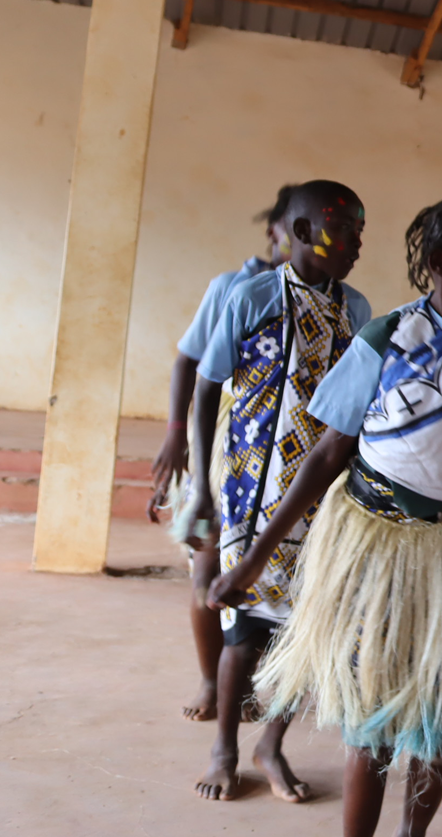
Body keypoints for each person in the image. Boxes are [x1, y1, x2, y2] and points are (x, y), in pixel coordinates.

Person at [209, 197, 442, 837]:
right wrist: (252, 558)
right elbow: (329, 451)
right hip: (373, 543)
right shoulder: (385, 337)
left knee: (441, 709)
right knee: (373, 711)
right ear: (440, 263)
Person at [189, 180, 370, 803]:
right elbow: (208, 389)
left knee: (306, 631)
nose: (356, 243)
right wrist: (200, 492)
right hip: (252, 492)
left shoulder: (357, 311)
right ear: (299, 233)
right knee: (246, 631)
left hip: (324, 501)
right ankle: (225, 748)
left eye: (358, 230)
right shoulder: (252, 297)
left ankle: (272, 742)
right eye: (344, 230)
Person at [146, 183, 296, 722]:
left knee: (276, 574)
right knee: (209, 566)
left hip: (288, 451)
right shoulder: (235, 286)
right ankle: (213, 680)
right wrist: (174, 434)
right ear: (277, 231)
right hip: (229, 441)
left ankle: (251, 679)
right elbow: (190, 364)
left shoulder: (330, 298)